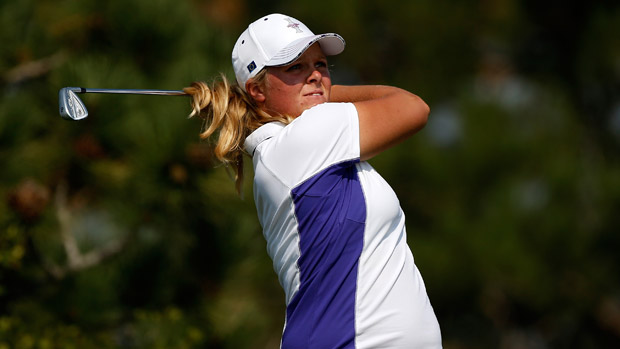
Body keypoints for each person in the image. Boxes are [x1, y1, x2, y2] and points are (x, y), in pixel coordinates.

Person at [184, 13, 442, 348]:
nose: (316, 76)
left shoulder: (300, 145)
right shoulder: (309, 138)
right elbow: (413, 107)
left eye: (320, 65)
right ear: (256, 90)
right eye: (295, 68)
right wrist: (326, 94)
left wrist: (316, 90)